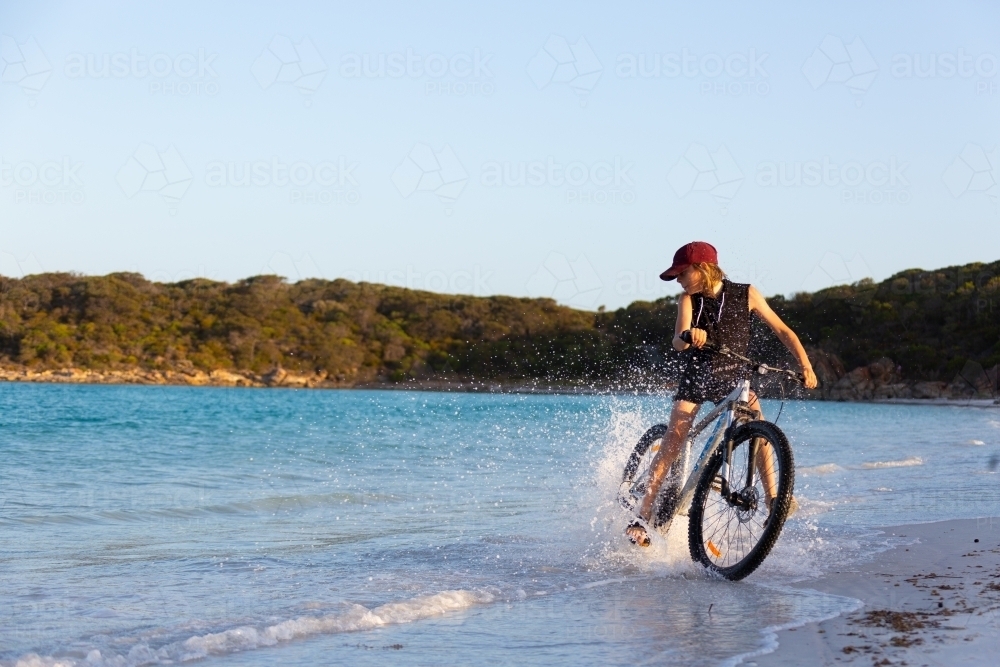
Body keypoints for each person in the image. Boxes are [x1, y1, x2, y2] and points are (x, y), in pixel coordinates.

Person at [626, 241, 818, 547]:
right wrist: (690, 336)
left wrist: (805, 366)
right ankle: (642, 515)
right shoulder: (689, 299)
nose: (678, 280)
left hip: (733, 374)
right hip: (697, 375)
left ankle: (772, 500)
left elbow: (783, 331)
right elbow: (677, 340)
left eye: (681, 273)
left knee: (756, 417)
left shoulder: (746, 293)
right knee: (674, 440)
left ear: (701, 269)